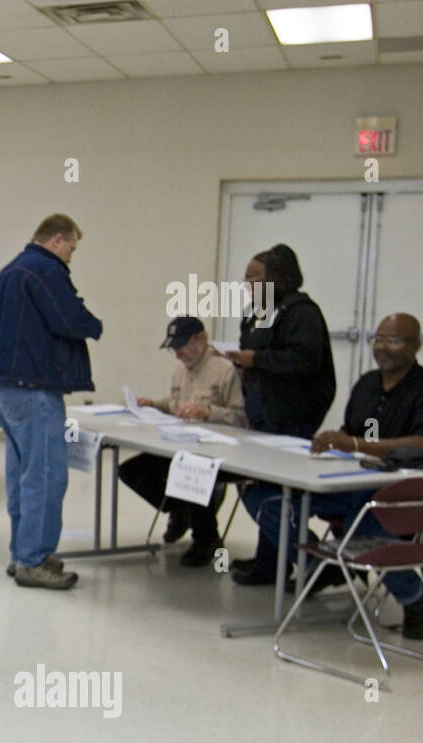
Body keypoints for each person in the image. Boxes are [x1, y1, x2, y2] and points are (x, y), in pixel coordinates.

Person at [238, 314, 423, 633]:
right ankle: (321, 564)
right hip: (350, 481)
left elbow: (417, 443)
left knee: (363, 519)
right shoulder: (368, 384)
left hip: (400, 492)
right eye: (377, 339)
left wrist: (357, 443)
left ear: (416, 345)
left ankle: (415, 597)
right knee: (265, 496)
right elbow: (365, 433)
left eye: (393, 340)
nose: (382, 347)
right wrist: (333, 441)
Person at [0, 214, 103, 590]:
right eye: (72, 247)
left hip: (5, 387)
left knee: (22, 474)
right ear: (57, 240)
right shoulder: (45, 270)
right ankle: (33, 560)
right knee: (47, 475)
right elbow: (69, 319)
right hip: (34, 387)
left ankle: (21, 552)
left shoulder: (8, 272)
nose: (71, 256)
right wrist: (94, 324)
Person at [226, 243, 337, 585]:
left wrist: (254, 360)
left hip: (293, 414)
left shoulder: (302, 313)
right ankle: (270, 564)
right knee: (262, 485)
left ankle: (313, 561)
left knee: (272, 492)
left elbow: (303, 361)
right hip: (263, 412)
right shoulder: (258, 311)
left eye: (253, 276)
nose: (246, 283)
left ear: (277, 277)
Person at [118, 317, 247, 566]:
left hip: (216, 450)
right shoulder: (181, 370)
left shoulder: (225, 370)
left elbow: (241, 418)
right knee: (130, 471)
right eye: (173, 348)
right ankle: (181, 511)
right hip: (181, 445)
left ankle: (206, 539)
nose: (177, 354)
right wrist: (154, 405)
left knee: (188, 470)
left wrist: (208, 412)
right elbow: (176, 403)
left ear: (201, 339)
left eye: (181, 346)